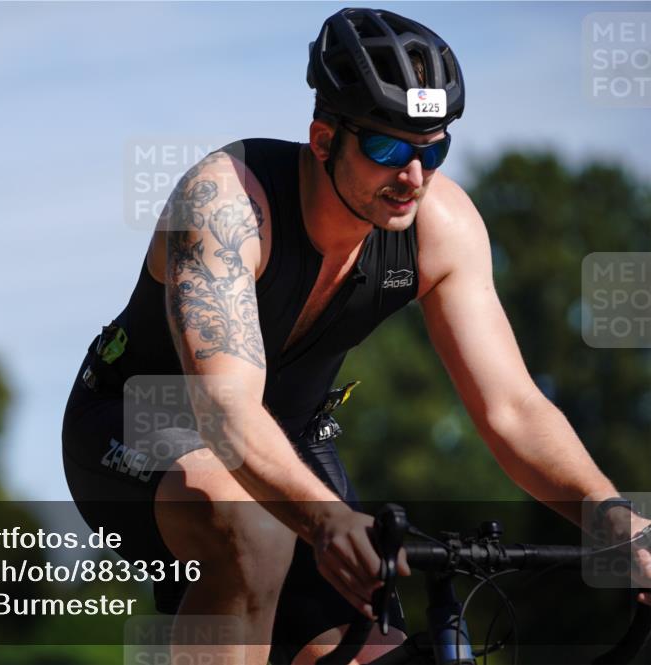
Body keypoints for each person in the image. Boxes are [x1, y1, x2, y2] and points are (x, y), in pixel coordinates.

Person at [62, 7, 651, 664]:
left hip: (292, 439)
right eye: (387, 148)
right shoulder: (225, 205)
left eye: (433, 149)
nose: (413, 177)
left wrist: (610, 516)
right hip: (143, 419)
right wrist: (325, 520)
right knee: (250, 526)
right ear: (321, 139)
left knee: (377, 651)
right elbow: (224, 413)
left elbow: (512, 408)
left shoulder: (442, 227)